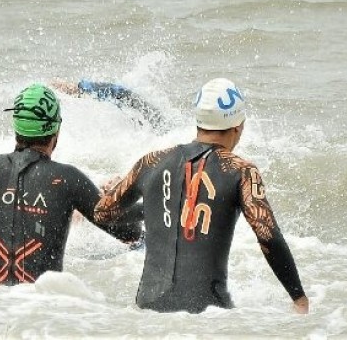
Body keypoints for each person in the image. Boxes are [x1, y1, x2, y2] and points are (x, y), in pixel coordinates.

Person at [94, 78, 309, 314]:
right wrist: (299, 298)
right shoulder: (242, 171)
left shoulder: (151, 162)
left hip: (147, 310)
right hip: (209, 315)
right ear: (238, 127)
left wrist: (156, 207)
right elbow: (267, 234)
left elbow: (103, 213)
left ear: (198, 123)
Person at [0, 84, 143, 286]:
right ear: (56, 129)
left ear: (16, 125)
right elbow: (130, 233)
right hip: (39, 308)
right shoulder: (68, 179)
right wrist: (118, 195)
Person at [51, 79, 167, 132]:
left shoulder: (87, 89)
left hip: (128, 99)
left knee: (157, 126)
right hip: (131, 100)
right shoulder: (87, 92)